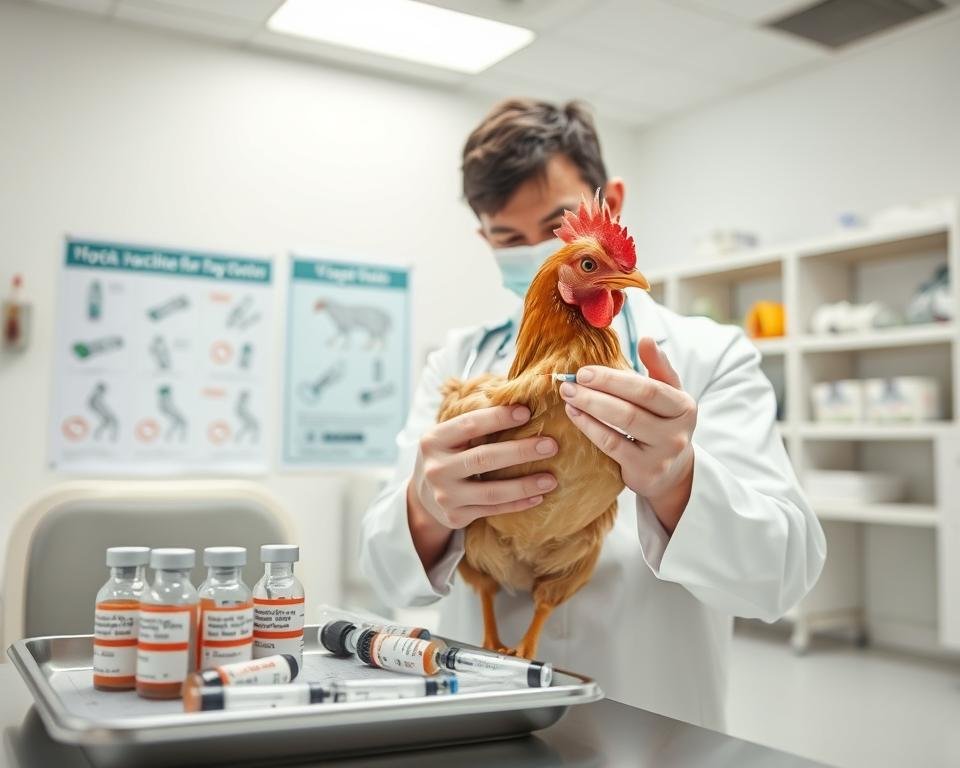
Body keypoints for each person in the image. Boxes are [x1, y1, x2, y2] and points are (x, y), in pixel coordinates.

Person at [360, 99, 825, 730]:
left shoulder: (709, 356)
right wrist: (425, 506)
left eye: (553, 226)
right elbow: (386, 574)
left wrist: (677, 481)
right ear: (484, 239)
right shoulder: (458, 362)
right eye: (506, 237)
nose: (532, 253)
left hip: (651, 723)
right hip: (485, 717)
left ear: (613, 203)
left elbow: (781, 577)